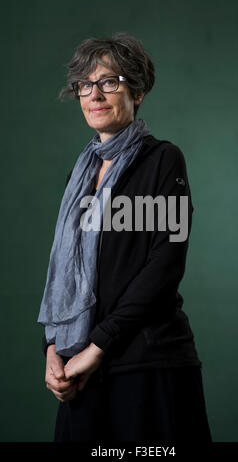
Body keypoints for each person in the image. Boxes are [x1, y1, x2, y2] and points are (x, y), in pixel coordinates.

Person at [37, 32, 212, 443]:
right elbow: (65, 271)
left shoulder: (163, 160)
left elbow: (165, 265)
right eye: (85, 84)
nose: (95, 94)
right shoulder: (78, 175)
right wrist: (51, 349)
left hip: (147, 365)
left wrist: (98, 346)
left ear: (138, 90)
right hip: (78, 368)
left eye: (109, 81)